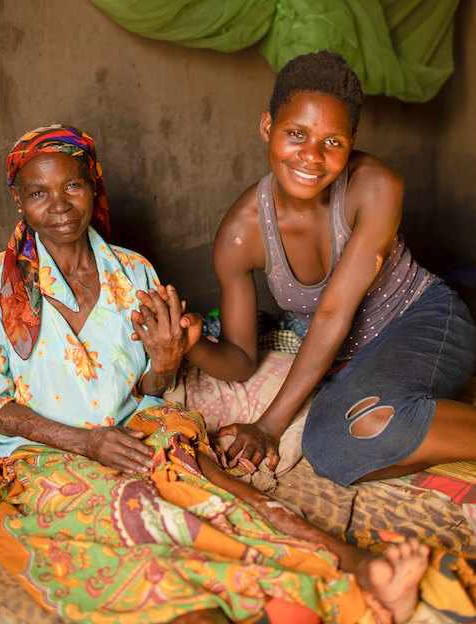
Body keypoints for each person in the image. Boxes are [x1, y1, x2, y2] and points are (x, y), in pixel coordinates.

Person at [0, 124, 429, 624]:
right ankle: (211, 606)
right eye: (38, 193)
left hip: (139, 434)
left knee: (226, 495)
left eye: (71, 185)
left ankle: (357, 569)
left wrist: (167, 361)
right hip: (44, 451)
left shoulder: (133, 274)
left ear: (93, 184)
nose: (59, 204)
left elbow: (151, 390)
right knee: (132, 508)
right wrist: (86, 444)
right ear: (19, 201)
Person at [169, 50, 476, 488]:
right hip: (349, 360)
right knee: (329, 450)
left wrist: (269, 425)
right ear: (267, 127)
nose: (311, 156)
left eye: (333, 141)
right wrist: (192, 345)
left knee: (365, 430)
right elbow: (239, 360)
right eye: (295, 133)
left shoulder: (376, 186)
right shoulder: (241, 235)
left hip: (422, 322)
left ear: (351, 141)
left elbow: (333, 313)